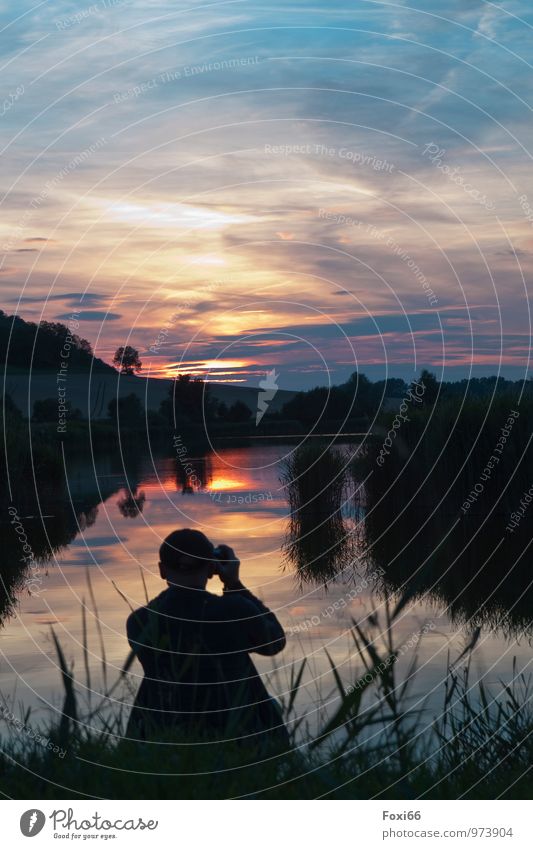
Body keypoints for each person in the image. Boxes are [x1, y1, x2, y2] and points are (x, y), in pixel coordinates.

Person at [126, 528, 288, 751]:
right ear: (212, 568)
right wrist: (234, 584)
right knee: (271, 705)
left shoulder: (139, 621)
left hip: (163, 731)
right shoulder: (234, 609)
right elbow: (274, 642)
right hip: (236, 733)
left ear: (162, 570)